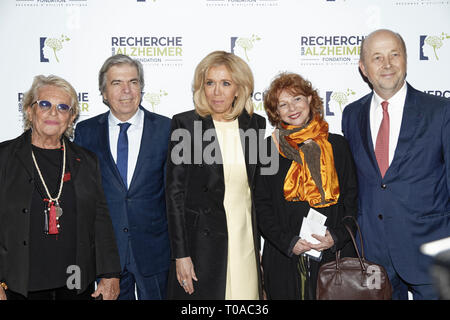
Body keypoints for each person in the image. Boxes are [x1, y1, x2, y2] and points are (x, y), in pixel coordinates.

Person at [342, 29, 450, 300]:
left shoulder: (441, 111)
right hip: (373, 255)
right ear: (363, 68)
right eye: (377, 57)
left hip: (431, 252)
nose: (387, 64)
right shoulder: (351, 114)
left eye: (394, 54)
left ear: (406, 60)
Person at [0, 75, 121, 300]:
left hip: (74, 285)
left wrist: (110, 273)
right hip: (19, 287)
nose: (53, 112)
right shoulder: (5, 157)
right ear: (29, 110)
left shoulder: (86, 160)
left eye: (63, 107)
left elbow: (100, 219)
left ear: (72, 116)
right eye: (44, 104)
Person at [165, 50, 266, 299]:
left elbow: (259, 190)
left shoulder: (255, 125)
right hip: (201, 245)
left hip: (244, 241)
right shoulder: (185, 126)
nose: (216, 91)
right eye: (209, 83)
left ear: (239, 89)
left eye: (225, 83)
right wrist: (181, 254)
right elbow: (174, 195)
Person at [74, 54, 171, 300]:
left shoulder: (167, 129)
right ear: (104, 93)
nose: (126, 90)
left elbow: (176, 193)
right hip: (107, 254)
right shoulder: (85, 132)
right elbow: (83, 198)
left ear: (141, 87)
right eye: (116, 83)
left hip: (155, 251)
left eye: (133, 82)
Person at [254, 72, 358, 300]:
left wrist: (337, 236)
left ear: (310, 100)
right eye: (283, 104)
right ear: (275, 112)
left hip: (334, 256)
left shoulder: (337, 145)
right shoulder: (267, 149)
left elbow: (352, 200)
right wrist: (289, 242)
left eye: (297, 99)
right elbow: (260, 206)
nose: (292, 108)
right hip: (285, 258)